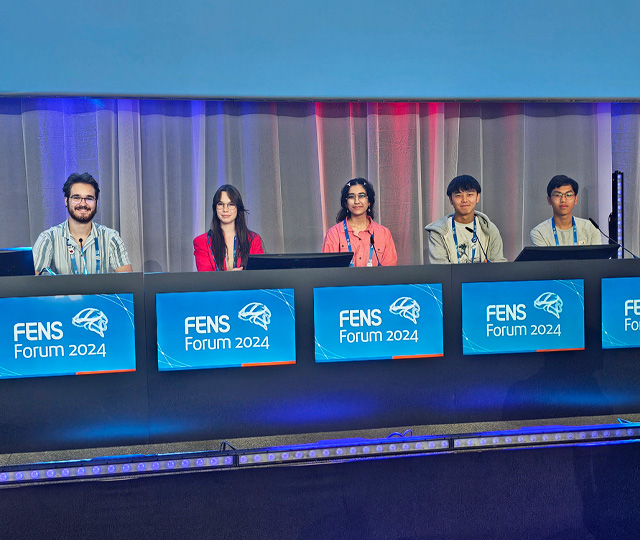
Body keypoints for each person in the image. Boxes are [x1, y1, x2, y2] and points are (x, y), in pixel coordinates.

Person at [33, 173, 132, 274]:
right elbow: (33, 283)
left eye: (89, 198)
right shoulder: (48, 238)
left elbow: (127, 282)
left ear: (96, 203)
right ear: (66, 201)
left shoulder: (111, 237)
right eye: (76, 198)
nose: (83, 204)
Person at [425, 174, 506, 264]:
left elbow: (499, 264)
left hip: (484, 278)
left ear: (477, 197)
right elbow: (440, 270)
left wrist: (491, 268)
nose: (464, 200)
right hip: (453, 278)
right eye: (458, 195)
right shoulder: (438, 232)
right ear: (450, 200)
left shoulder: (490, 229)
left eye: (469, 195)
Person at [321, 178, 397, 267]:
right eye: (351, 196)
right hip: (343, 281)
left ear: (369, 202)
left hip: (377, 281)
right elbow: (328, 270)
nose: (357, 201)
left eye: (361, 196)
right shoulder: (334, 233)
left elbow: (389, 272)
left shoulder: (384, 233)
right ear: (346, 203)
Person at [193, 184, 264, 271]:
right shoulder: (201, 242)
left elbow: (259, 276)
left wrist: (243, 277)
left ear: (238, 208)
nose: (225, 209)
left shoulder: (253, 240)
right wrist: (232, 278)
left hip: (246, 285)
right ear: (215, 208)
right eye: (220, 204)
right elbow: (206, 279)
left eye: (231, 204)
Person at [530, 175, 601, 246]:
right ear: (549, 200)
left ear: (576, 199)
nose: (563, 200)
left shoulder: (590, 228)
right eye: (557, 195)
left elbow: (598, 256)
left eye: (569, 195)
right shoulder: (539, 232)